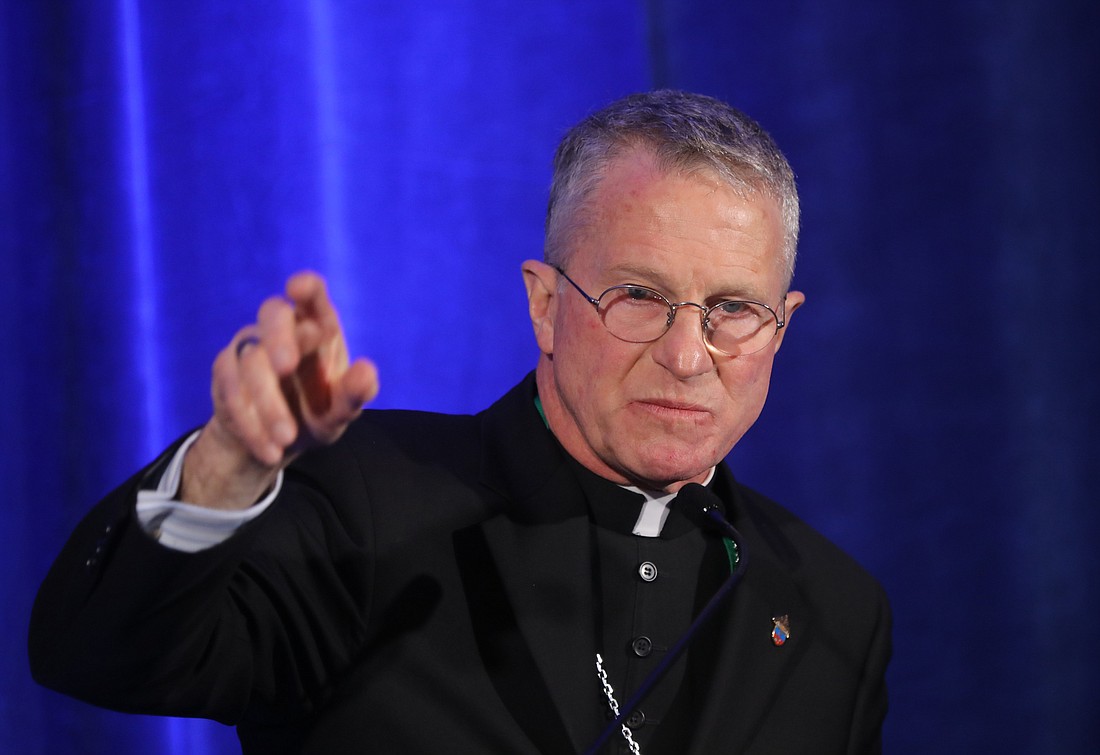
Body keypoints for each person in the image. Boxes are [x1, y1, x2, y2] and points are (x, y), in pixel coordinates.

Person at [29, 90, 890, 753]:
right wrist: (225, 471)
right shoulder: (363, 498)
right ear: (546, 305)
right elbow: (100, 653)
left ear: (783, 326)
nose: (688, 355)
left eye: (732, 309)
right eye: (640, 296)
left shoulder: (834, 612)